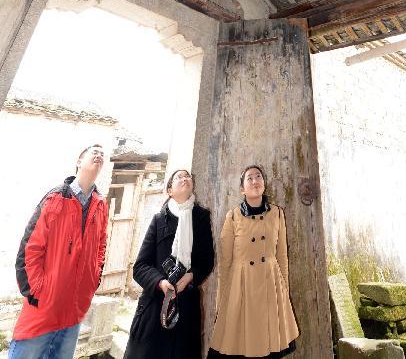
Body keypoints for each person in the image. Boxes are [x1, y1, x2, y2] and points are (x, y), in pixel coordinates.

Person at [9, 144, 108, 359]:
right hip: (45, 303)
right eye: (94, 152)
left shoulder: (101, 204)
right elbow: (30, 248)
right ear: (79, 161)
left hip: (75, 307)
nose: (100, 155)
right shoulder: (56, 199)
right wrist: (38, 290)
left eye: (103, 153)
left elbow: (101, 246)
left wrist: (92, 281)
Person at [208, 165, 299, 359]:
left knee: (269, 346)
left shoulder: (278, 213)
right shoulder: (232, 216)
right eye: (249, 178)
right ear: (242, 189)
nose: (255, 181)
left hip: (270, 283)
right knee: (240, 347)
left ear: (264, 184)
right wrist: (221, 301)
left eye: (259, 177)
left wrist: (284, 292)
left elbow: (282, 256)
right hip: (241, 285)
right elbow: (225, 263)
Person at [123, 168, 214, 359]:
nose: (185, 178)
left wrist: (191, 276)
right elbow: (140, 267)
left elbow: (206, 260)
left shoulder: (201, 217)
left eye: (188, 175)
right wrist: (160, 283)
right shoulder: (159, 219)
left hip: (186, 308)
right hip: (155, 308)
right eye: (179, 177)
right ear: (170, 190)